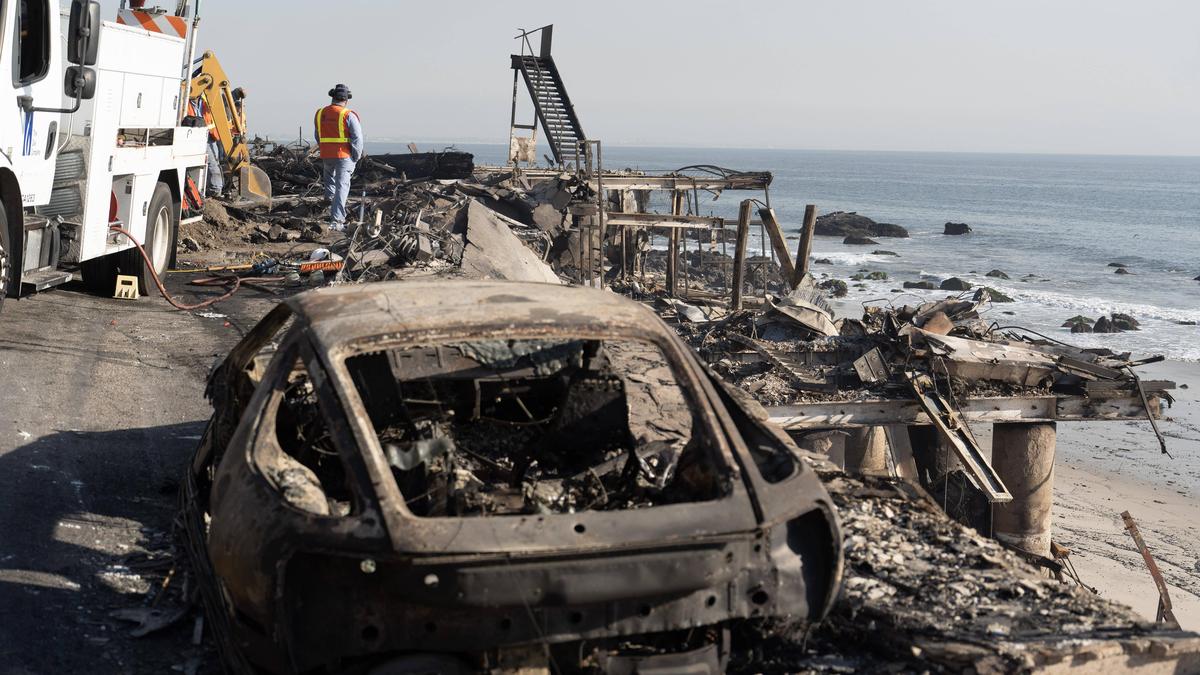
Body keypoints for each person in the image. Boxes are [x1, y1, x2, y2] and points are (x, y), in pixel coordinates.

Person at [314, 84, 364, 231]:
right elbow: (357, 139)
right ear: (346, 100)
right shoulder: (348, 115)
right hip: (343, 156)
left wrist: (325, 147)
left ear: (332, 97)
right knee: (342, 187)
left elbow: (318, 135)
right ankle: (337, 221)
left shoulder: (320, 113)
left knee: (330, 182)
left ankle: (330, 206)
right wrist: (356, 156)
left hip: (326, 154)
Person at [191, 95, 223, 196]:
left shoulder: (206, 98)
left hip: (210, 136)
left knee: (215, 163)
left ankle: (212, 189)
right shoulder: (185, 99)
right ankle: (215, 190)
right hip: (195, 137)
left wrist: (235, 94)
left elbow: (222, 101)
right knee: (211, 164)